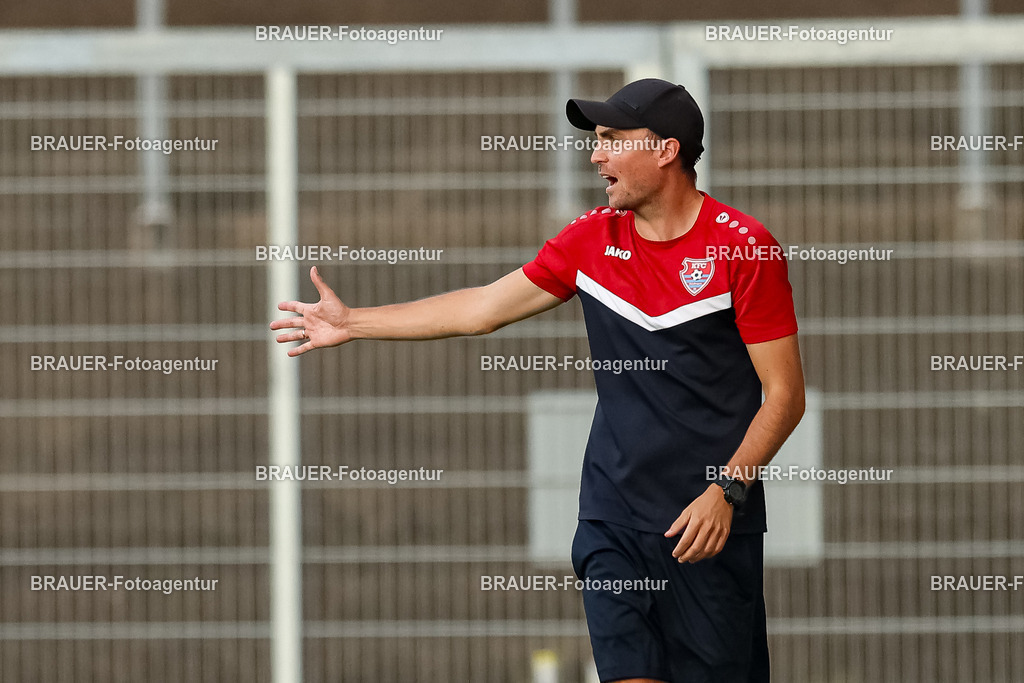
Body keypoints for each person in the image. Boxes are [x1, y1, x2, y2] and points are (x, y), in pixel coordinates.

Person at [270, 78, 805, 683]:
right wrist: (353, 322)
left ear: (665, 150)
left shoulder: (744, 248)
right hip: (612, 518)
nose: (596, 155)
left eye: (612, 140)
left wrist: (727, 492)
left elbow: (785, 396)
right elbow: (482, 308)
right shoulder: (591, 239)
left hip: (708, 524)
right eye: (596, 140)